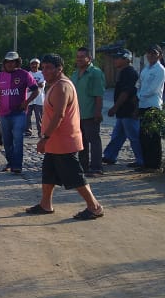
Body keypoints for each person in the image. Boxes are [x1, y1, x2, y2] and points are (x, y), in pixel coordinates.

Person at [26, 54, 105, 220]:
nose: (44, 71)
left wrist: (45, 138)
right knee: (48, 173)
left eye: (49, 68)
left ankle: (94, 207)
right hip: (55, 142)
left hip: (64, 141)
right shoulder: (55, 85)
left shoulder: (62, 86)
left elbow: (59, 115)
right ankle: (45, 204)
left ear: (59, 68)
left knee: (75, 175)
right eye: (43, 67)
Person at [0, 51, 40, 174]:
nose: (10, 64)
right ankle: (10, 162)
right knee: (7, 140)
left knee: (18, 139)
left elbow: (36, 90)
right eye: (8, 62)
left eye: (13, 62)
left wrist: (27, 102)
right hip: (4, 114)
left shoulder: (24, 75)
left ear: (17, 62)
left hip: (19, 113)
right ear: (4, 63)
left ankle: (17, 165)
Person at [102, 50, 143, 167]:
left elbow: (126, 92)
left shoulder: (129, 73)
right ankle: (110, 156)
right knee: (118, 135)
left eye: (118, 58)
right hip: (123, 111)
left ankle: (142, 160)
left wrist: (115, 107)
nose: (115, 60)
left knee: (134, 136)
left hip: (128, 110)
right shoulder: (124, 72)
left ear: (127, 59)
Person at [71, 47, 106, 177]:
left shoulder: (95, 73)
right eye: (77, 56)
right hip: (77, 114)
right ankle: (83, 166)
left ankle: (97, 167)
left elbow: (99, 95)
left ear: (89, 58)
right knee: (81, 142)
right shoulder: (75, 73)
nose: (79, 59)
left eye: (82, 57)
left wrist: (98, 112)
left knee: (94, 141)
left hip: (90, 113)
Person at [136, 45, 165, 171]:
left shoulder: (160, 70)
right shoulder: (146, 68)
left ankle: (155, 164)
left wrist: (140, 95)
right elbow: (139, 83)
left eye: (154, 53)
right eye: (149, 53)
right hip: (143, 104)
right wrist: (138, 94)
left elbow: (153, 89)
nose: (150, 56)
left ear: (160, 55)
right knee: (144, 136)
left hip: (153, 105)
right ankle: (146, 163)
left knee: (153, 136)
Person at [24, 58, 45, 136]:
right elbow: (25, 86)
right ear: (30, 65)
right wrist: (35, 85)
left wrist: (31, 86)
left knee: (39, 117)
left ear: (38, 65)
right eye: (32, 64)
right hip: (29, 98)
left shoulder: (42, 73)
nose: (34, 65)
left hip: (39, 98)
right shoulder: (27, 74)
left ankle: (40, 131)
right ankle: (28, 131)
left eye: (36, 64)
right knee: (27, 116)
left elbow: (42, 84)